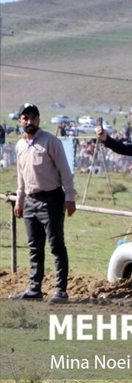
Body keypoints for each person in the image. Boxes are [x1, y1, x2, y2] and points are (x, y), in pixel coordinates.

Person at [10, 103, 77, 304]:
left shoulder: (50, 141)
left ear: (38, 120)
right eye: (25, 118)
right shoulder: (19, 145)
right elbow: (21, 175)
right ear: (20, 120)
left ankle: (60, 290)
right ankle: (34, 289)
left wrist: (70, 197)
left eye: (33, 117)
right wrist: (20, 200)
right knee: (34, 247)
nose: (29, 121)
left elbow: (64, 170)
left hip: (51, 199)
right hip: (30, 201)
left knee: (56, 245)